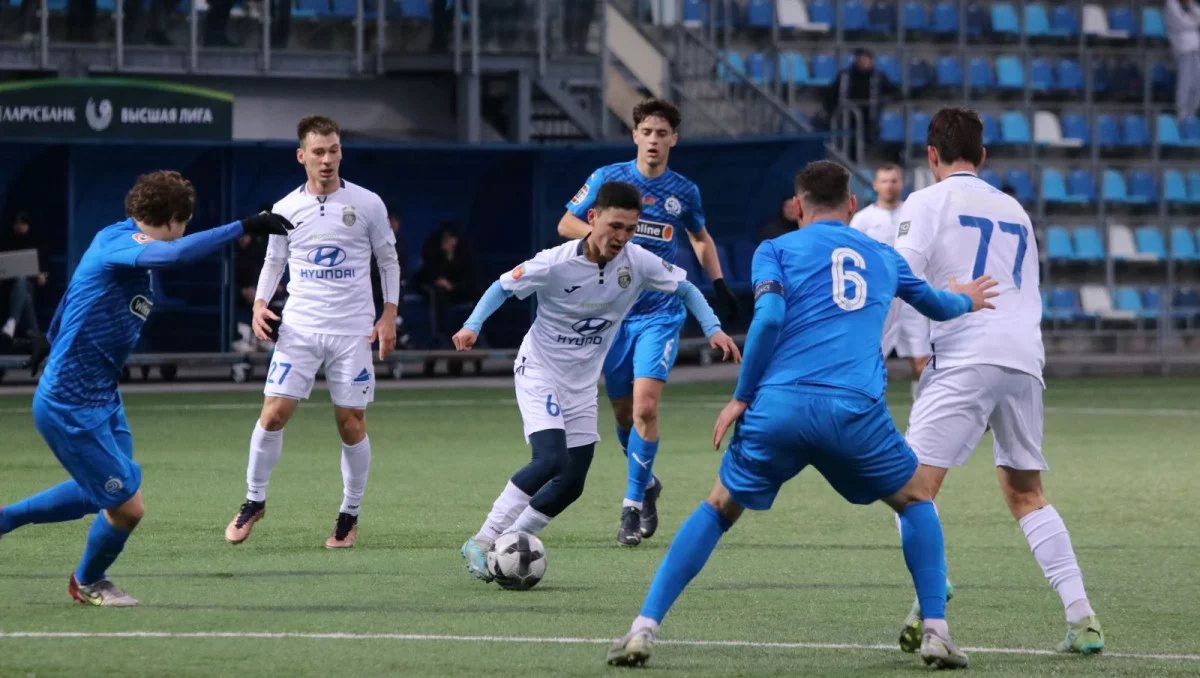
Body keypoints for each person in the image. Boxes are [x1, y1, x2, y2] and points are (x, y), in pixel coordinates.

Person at [606, 160, 998, 670]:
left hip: (780, 409)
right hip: (854, 411)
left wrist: (742, 396)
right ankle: (937, 633)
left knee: (718, 508)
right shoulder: (883, 255)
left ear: (797, 207)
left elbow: (769, 318)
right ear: (852, 204)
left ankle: (643, 629)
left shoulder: (775, 249)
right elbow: (938, 306)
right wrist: (966, 300)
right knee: (916, 499)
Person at [0, 171, 291, 606]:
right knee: (127, 506)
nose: (184, 232)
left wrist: (50, 335)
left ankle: (5, 521)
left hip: (102, 395)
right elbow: (177, 255)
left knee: (105, 493)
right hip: (68, 402)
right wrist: (243, 226)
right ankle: (88, 582)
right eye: (184, 224)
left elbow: (76, 291)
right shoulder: (123, 244)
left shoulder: (113, 238)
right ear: (173, 220)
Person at [892, 107, 1104, 655]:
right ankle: (1082, 617)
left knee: (910, 490)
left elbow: (899, 277)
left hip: (966, 353)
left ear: (931, 155)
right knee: (1026, 493)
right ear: (982, 156)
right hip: (1024, 358)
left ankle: (933, 597)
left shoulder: (926, 201)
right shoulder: (1015, 210)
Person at [458, 181, 740, 580]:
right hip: (540, 370)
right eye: (614, 226)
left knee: (572, 482)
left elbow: (686, 288)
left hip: (581, 384)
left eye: (630, 228)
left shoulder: (637, 262)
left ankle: (508, 544)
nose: (621, 237)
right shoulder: (554, 263)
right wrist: (472, 325)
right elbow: (502, 287)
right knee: (550, 460)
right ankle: (482, 540)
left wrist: (713, 329)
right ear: (592, 218)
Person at [557, 98, 739, 547]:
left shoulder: (684, 192)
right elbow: (565, 224)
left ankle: (632, 505)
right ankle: (648, 482)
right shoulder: (607, 179)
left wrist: (718, 283)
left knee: (645, 409)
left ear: (673, 138)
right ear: (634, 135)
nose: (654, 140)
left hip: (659, 314)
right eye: (647, 132)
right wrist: (605, 237)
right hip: (612, 314)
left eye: (662, 133)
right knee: (623, 416)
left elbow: (700, 237)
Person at [223, 115, 401, 550]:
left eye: (333, 150)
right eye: (318, 152)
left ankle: (349, 516)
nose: (327, 159)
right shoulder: (284, 208)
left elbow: (388, 262)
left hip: (352, 331)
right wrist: (260, 304)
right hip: (299, 328)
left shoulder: (368, 204)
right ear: (301, 156)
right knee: (272, 415)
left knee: (350, 424)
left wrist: (388, 315)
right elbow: (273, 263)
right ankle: (253, 501)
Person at [849, 164, 931, 396]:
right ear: (875, 185)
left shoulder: (913, 215)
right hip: (880, 298)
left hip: (912, 296)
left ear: (901, 183)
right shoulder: (862, 219)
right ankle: (867, 407)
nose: (889, 186)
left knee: (923, 359)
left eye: (894, 181)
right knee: (871, 359)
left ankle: (925, 410)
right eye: (884, 181)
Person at [416, 221, 479, 343]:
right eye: (445, 238)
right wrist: (441, 280)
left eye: (451, 238)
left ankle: (475, 334)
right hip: (436, 289)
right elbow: (428, 273)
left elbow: (469, 275)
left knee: (476, 290)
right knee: (437, 292)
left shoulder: (464, 251)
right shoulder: (433, 248)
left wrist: (453, 285)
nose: (448, 241)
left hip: (456, 288)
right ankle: (439, 335)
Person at [822, 48, 898, 146]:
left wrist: (884, 100)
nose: (863, 62)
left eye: (866, 60)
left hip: (871, 120)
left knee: (871, 141)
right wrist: (833, 111)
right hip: (847, 119)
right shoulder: (844, 76)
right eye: (860, 59)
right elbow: (830, 95)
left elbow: (893, 92)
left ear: (871, 61)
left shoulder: (879, 77)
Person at [3, 211, 48, 344]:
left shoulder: (36, 241)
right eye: (16, 224)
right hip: (8, 283)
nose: (19, 226)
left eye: (22, 224)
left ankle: (12, 322)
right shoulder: (6, 241)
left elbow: (44, 268)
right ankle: (34, 332)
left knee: (22, 282)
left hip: (32, 283)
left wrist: (42, 275)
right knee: (22, 285)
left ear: (28, 225)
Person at [1167, 0, 1200, 119]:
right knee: (1185, 82)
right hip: (1182, 48)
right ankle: (1182, 113)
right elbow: (1181, 23)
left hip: (1195, 47)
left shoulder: (1190, 4)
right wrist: (1194, 22)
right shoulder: (1171, 4)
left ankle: (1192, 113)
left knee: (1197, 82)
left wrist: (1190, 5)